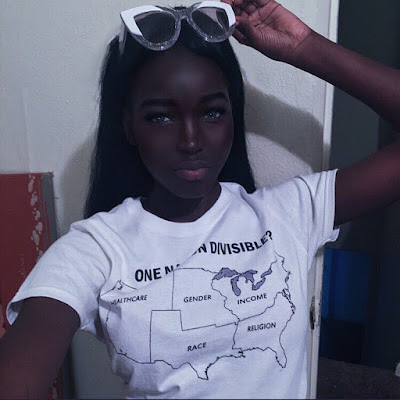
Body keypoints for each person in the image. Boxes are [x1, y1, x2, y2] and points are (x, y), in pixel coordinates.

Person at [0, 0, 399, 398]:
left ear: (233, 117)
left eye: (212, 113)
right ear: (129, 126)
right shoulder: (97, 249)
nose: (191, 141)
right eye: (161, 116)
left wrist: (304, 46)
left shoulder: (289, 214)